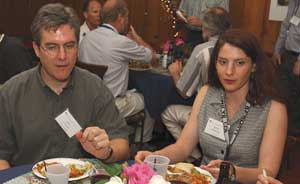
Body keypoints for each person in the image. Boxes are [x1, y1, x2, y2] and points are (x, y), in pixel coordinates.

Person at [136, 29, 287, 183]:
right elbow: (183, 147)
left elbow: (268, 172)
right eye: (222, 62)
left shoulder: (274, 109)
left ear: (253, 66)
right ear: (215, 64)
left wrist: (233, 172)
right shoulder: (206, 93)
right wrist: (155, 156)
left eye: (239, 63)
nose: (229, 71)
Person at [0, 3, 130, 170]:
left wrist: (107, 152)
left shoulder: (94, 87)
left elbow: (122, 144)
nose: (62, 56)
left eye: (69, 46)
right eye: (52, 47)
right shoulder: (11, 93)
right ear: (37, 49)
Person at [79, 0, 157, 143]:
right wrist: (137, 38)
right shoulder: (120, 41)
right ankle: (143, 142)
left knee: (131, 92)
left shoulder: (86, 38)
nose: (127, 22)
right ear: (120, 18)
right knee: (150, 96)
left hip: (86, 102)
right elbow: (152, 56)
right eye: (127, 18)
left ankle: (123, 132)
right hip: (111, 105)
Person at [162, 7, 231, 162]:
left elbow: (184, 92)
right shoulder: (236, 48)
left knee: (167, 112)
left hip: (210, 117)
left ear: (205, 29)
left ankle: (194, 156)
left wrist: (175, 74)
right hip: (234, 118)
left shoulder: (202, 51)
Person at [274, 0, 300, 134]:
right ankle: (282, 130)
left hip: (298, 57)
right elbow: (285, 26)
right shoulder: (294, 3)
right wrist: (277, 50)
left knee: (296, 98)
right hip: (287, 55)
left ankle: (293, 137)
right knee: (283, 93)